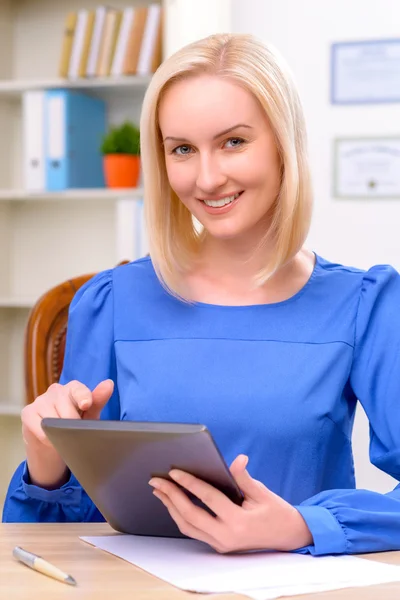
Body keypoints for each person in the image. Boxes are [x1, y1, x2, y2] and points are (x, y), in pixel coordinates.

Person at [3, 32, 400, 557]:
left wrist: (303, 526)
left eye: (234, 141)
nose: (208, 178)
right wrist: (46, 466)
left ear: (284, 144)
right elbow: (51, 539)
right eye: (182, 149)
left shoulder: (365, 305)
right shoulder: (111, 302)